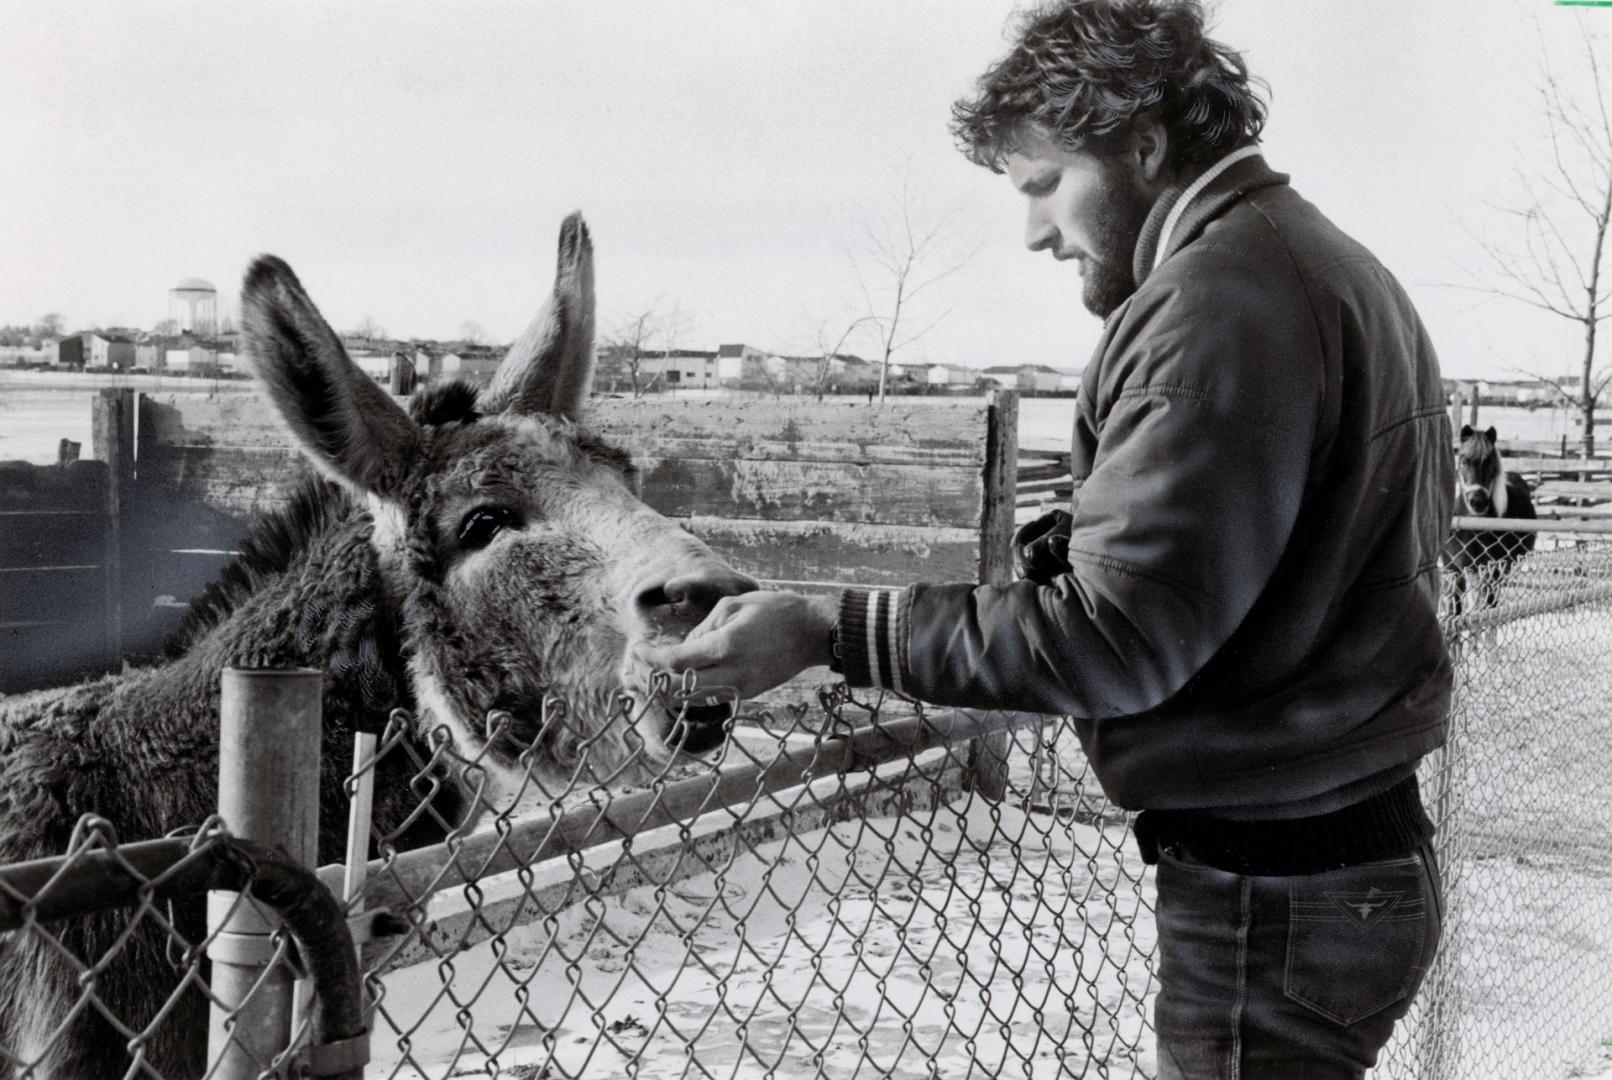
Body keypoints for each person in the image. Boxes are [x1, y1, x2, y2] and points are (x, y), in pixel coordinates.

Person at [637, 2, 1452, 1076]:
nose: (1031, 233)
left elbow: (1110, 641)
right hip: (1331, 859)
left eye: (1042, 185)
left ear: (1144, 146)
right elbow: (1292, 545)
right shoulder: (1321, 264)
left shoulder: (1212, 304)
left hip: (1276, 891)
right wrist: (1090, 531)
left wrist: (830, 627)